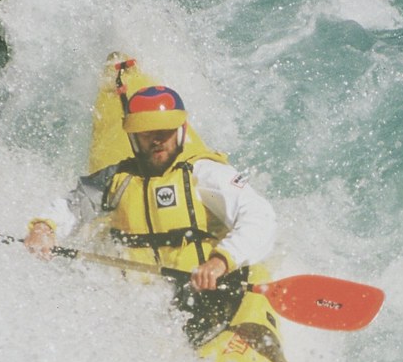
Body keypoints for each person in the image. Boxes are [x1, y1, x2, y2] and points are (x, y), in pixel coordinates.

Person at [24, 85, 277, 347]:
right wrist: (44, 227)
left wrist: (220, 261)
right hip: (148, 307)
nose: (157, 140)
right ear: (134, 138)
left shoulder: (205, 173)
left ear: (181, 132)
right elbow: (72, 205)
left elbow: (259, 216)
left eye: (164, 132)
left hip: (213, 297)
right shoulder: (116, 180)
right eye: (147, 134)